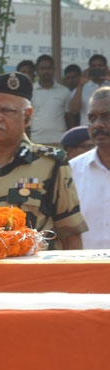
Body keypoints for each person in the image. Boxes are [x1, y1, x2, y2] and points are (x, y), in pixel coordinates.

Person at [0, 72, 86, 250]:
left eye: (7, 110)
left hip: (35, 273)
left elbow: (70, 233)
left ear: (27, 117)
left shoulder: (51, 164)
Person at [69, 87, 110, 249]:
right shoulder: (72, 170)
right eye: (92, 118)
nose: (97, 125)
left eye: (106, 116)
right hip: (87, 271)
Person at [30, 54, 72, 146]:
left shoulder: (64, 91)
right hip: (37, 141)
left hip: (60, 140)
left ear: (54, 70)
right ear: (37, 70)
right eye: (43, 68)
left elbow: (69, 118)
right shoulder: (30, 91)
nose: (46, 71)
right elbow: (26, 118)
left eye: (49, 68)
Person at [68, 54, 108, 132]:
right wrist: (80, 85)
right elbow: (74, 110)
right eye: (94, 66)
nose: (97, 68)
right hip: (87, 131)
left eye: (100, 66)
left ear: (106, 68)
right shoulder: (82, 87)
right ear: (89, 69)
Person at [63, 64, 83, 128]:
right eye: (68, 78)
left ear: (80, 77)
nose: (71, 80)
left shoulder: (85, 91)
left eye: (74, 77)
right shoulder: (63, 93)